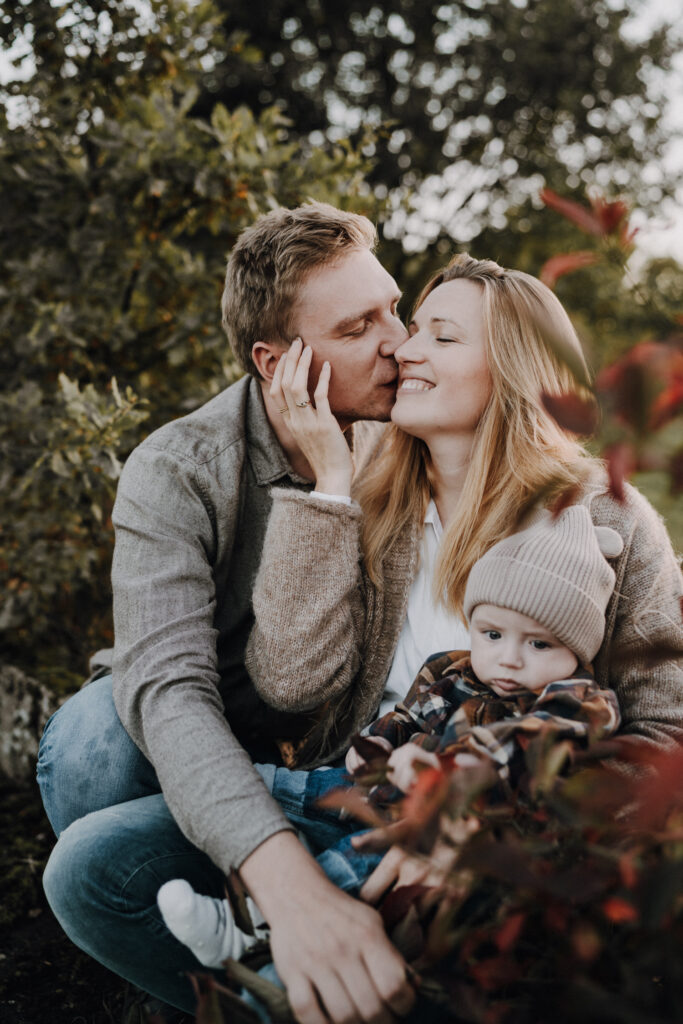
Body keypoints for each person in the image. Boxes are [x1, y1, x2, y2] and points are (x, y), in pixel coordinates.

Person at [38, 201, 416, 1024]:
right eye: (359, 328)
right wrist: (288, 885)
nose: (399, 340)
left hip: (335, 749)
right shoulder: (178, 468)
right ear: (275, 362)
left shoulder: (410, 429)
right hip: (195, 729)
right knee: (96, 743)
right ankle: (175, 943)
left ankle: (253, 960)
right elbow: (169, 693)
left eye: (395, 307)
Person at [241, 252, 683, 910]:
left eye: (442, 337)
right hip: (350, 806)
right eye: (413, 329)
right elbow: (288, 685)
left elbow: (664, 736)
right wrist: (328, 487)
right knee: (99, 864)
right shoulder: (367, 508)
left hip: (510, 850)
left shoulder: (601, 516)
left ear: (515, 371)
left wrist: (486, 820)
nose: (405, 350)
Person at [156, 504, 624, 971]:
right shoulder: (452, 670)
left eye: (539, 644)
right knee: (287, 786)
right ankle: (206, 793)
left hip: (443, 830)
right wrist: (377, 744)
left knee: (359, 859)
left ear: (578, 649)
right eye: (493, 634)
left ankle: (249, 927)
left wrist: (449, 771)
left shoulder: (579, 701)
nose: (509, 659)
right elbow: (407, 716)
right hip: (373, 790)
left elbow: (528, 743)